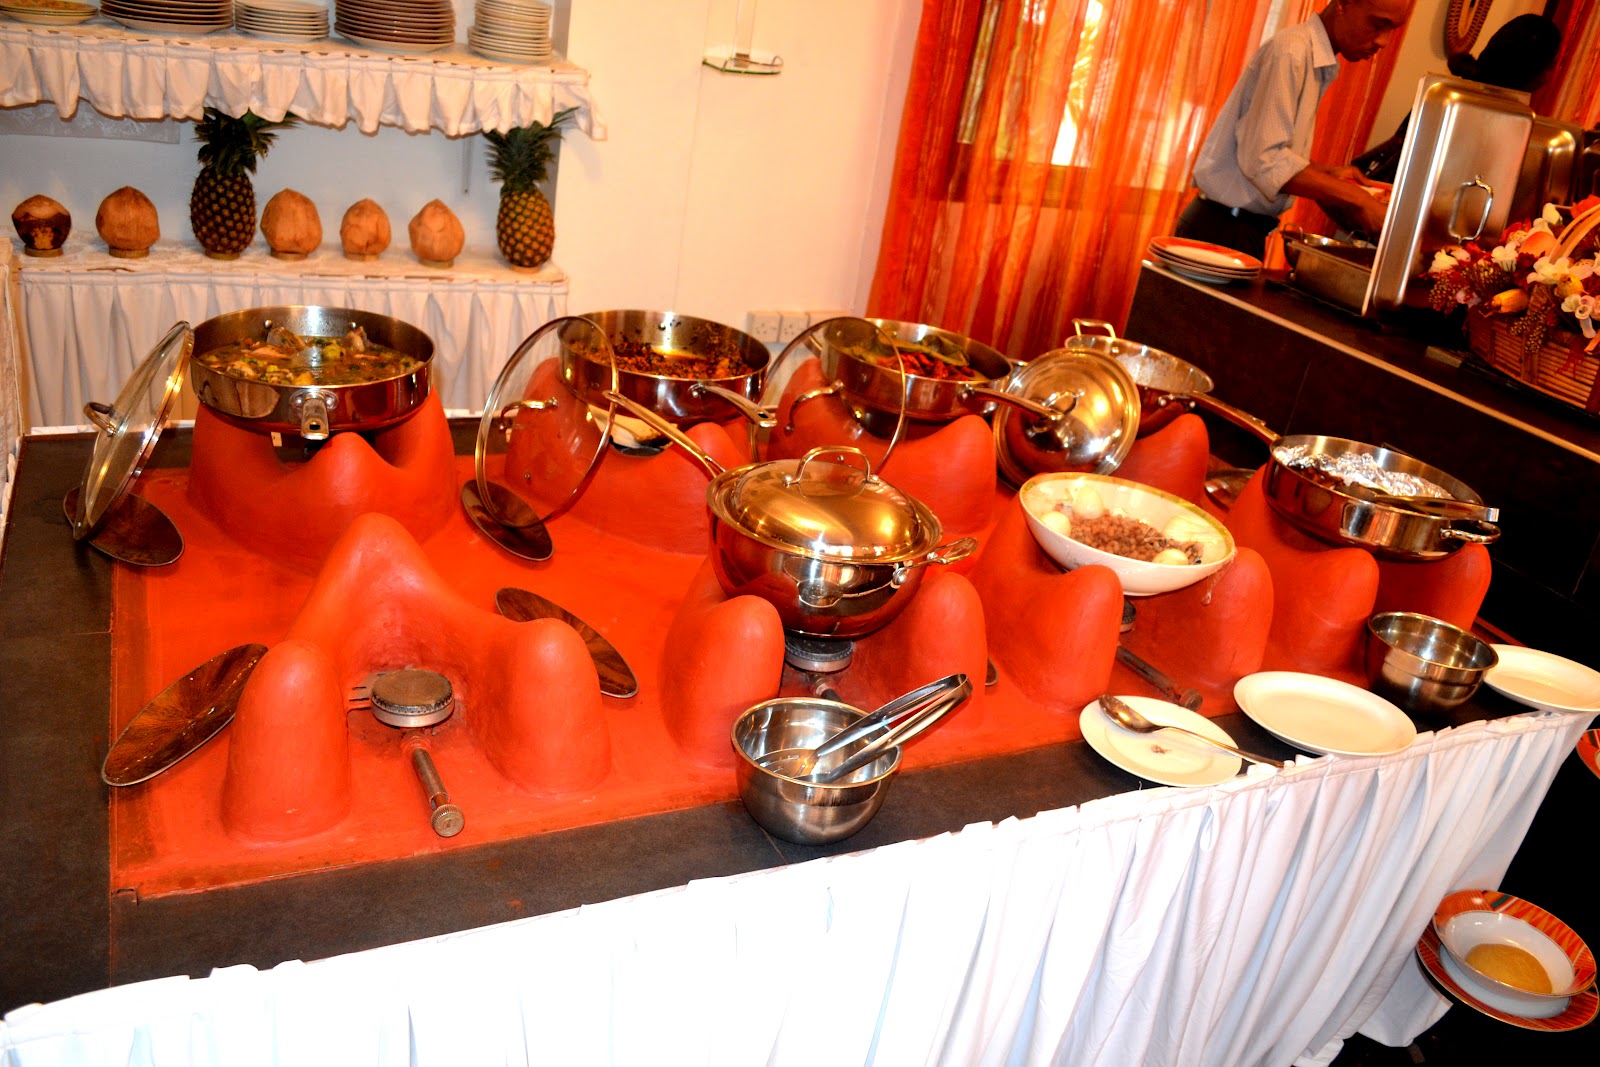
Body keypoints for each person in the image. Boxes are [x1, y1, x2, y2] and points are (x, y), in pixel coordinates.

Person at [1174, 0, 1409, 257]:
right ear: (1343, 4)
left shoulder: (1308, 55)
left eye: (1392, 30)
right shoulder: (1291, 52)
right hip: (1222, 229)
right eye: (1378, 24)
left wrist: (1327, 174)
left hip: (1237, 229)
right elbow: (1264, 162)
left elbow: (1267, 153)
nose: (1384, 41)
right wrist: (1358, 199)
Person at [1352, 14, 1563, 183]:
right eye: (1553, 64)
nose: (1553, 74)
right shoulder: (1497, 120)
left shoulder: (1447, 96)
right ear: (1533, 71)